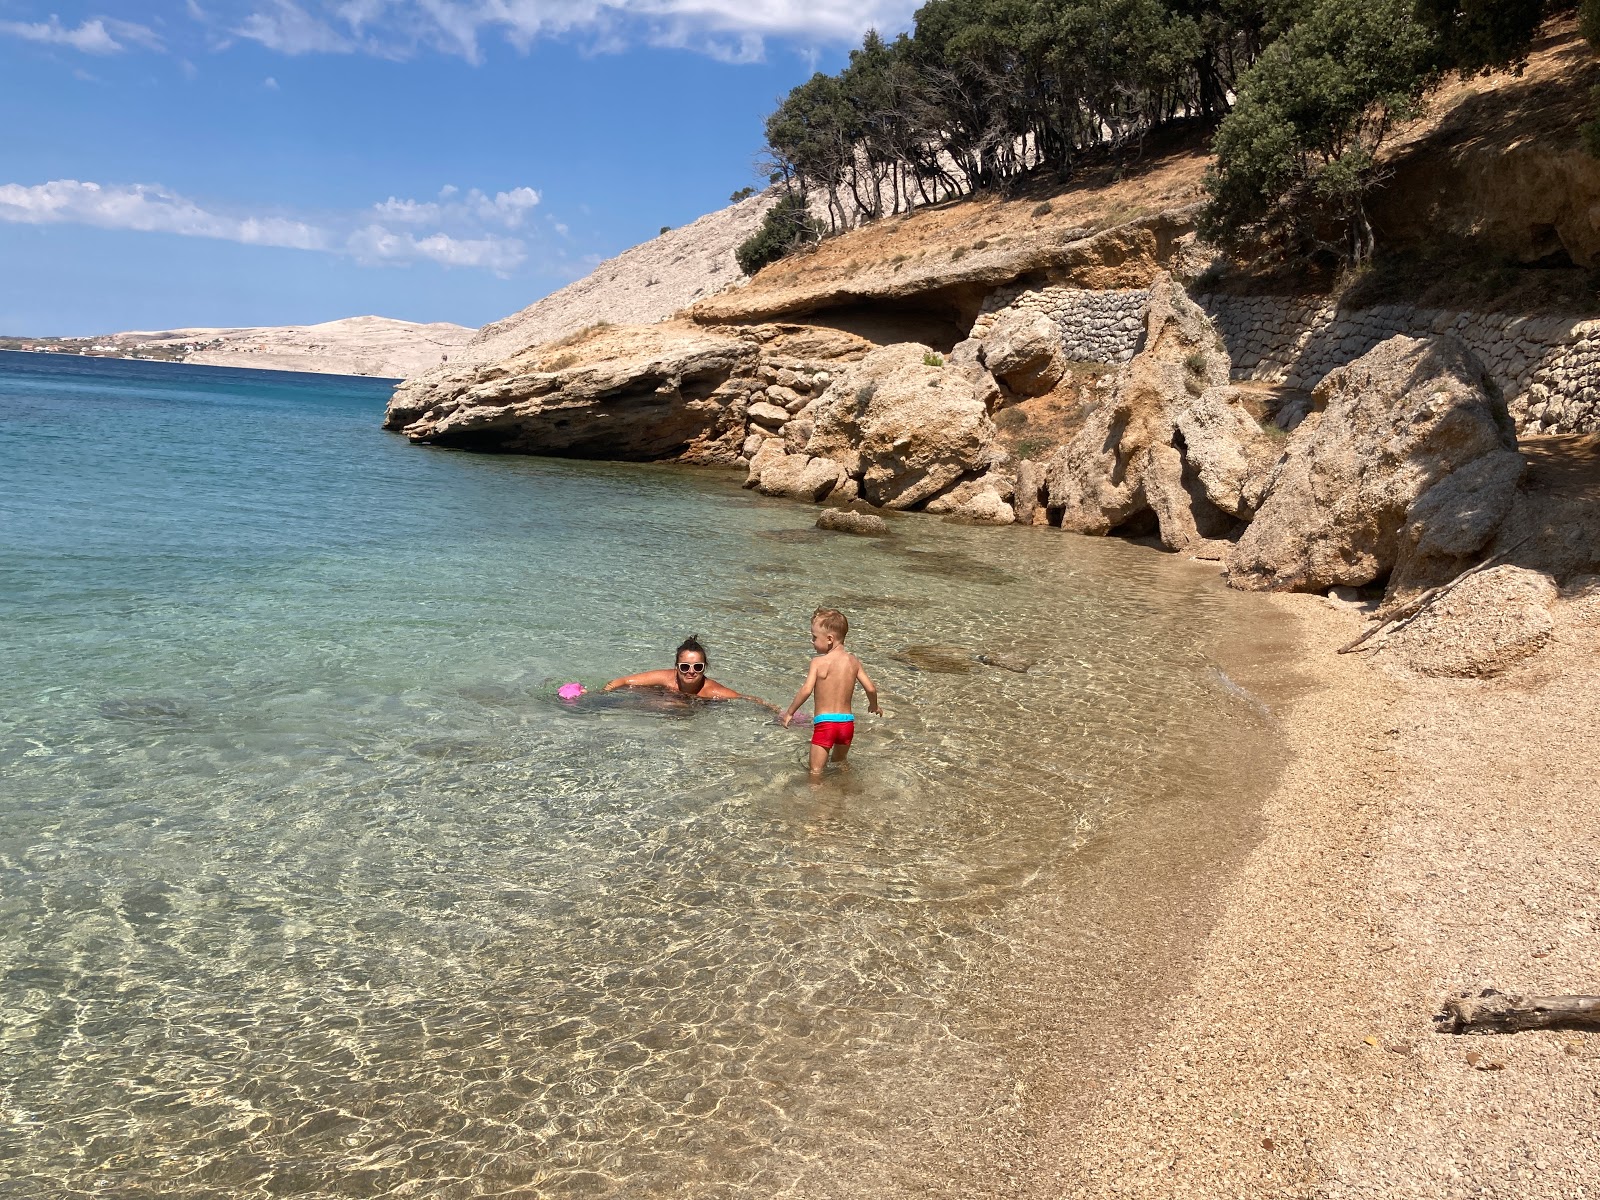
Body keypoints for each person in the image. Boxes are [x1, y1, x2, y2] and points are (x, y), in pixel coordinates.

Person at [782, 608, 881, 777]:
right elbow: (871, 688)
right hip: (846, 724)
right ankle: (845, 791)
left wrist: (790, 712)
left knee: (815, 772)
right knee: (840, 764)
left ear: (829, 639)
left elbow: (806, 690)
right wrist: (874, 705)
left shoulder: (818, 663)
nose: (811, 641)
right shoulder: (853, 661)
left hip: (825, 724)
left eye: (814, 637)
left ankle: (819, 802)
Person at [603, 635, 748, 701]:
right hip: (663, 699)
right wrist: (603, 693)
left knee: (672, 705)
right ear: (677, 667)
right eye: (685, 667)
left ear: (704, 668)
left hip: (697, 710)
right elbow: (624, 681)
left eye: (697, 666)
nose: (691, 671)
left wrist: (771, 709)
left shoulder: (711, 691)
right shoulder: (666, 678)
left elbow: (747, 699)